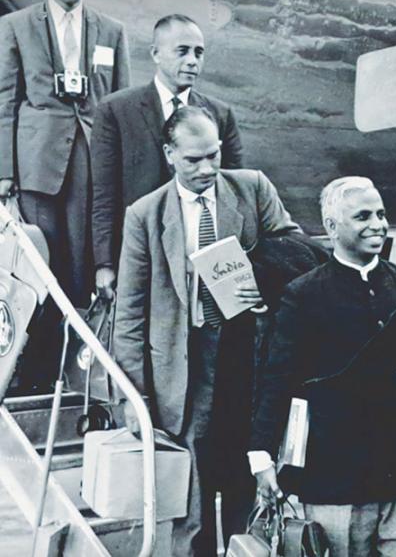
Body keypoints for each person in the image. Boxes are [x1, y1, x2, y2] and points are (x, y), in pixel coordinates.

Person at [113, 106, 297, 556]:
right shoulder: (145, 215)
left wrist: (262, 279)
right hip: (185, 364)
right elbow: (131, 316)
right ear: (169, 154)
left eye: (213, 156)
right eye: (193, 159)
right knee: (190, 509)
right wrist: (136, 404)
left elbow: (299, 252)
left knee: (247, 488)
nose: (207, 169)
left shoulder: (252, 189)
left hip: (245, 353)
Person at [250, 176, 396, 557]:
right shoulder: (303, 294)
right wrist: (261, 456)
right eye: (363, 216)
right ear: (331, 227)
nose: (377, 224)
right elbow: (278, 378)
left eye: (380, 213)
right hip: (336, 478)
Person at [0, 0, 130, 389]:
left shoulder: (111, 29)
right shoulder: (17, 25)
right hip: (36, 165)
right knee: (35, 271)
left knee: (77, 274)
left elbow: (118, 106)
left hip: (89, 166)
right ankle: (23, 373)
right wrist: (4, 172)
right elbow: (4, 102)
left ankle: (63, 376)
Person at [91, 13, 243, 299]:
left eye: (199, 52)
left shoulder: (220, 114)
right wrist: (104, 263)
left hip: (202, 254)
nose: (192, 61)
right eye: (182, 51)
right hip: (140, 251)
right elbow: (103, 194)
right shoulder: (116, 111)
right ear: (156, 54)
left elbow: (233, 195)